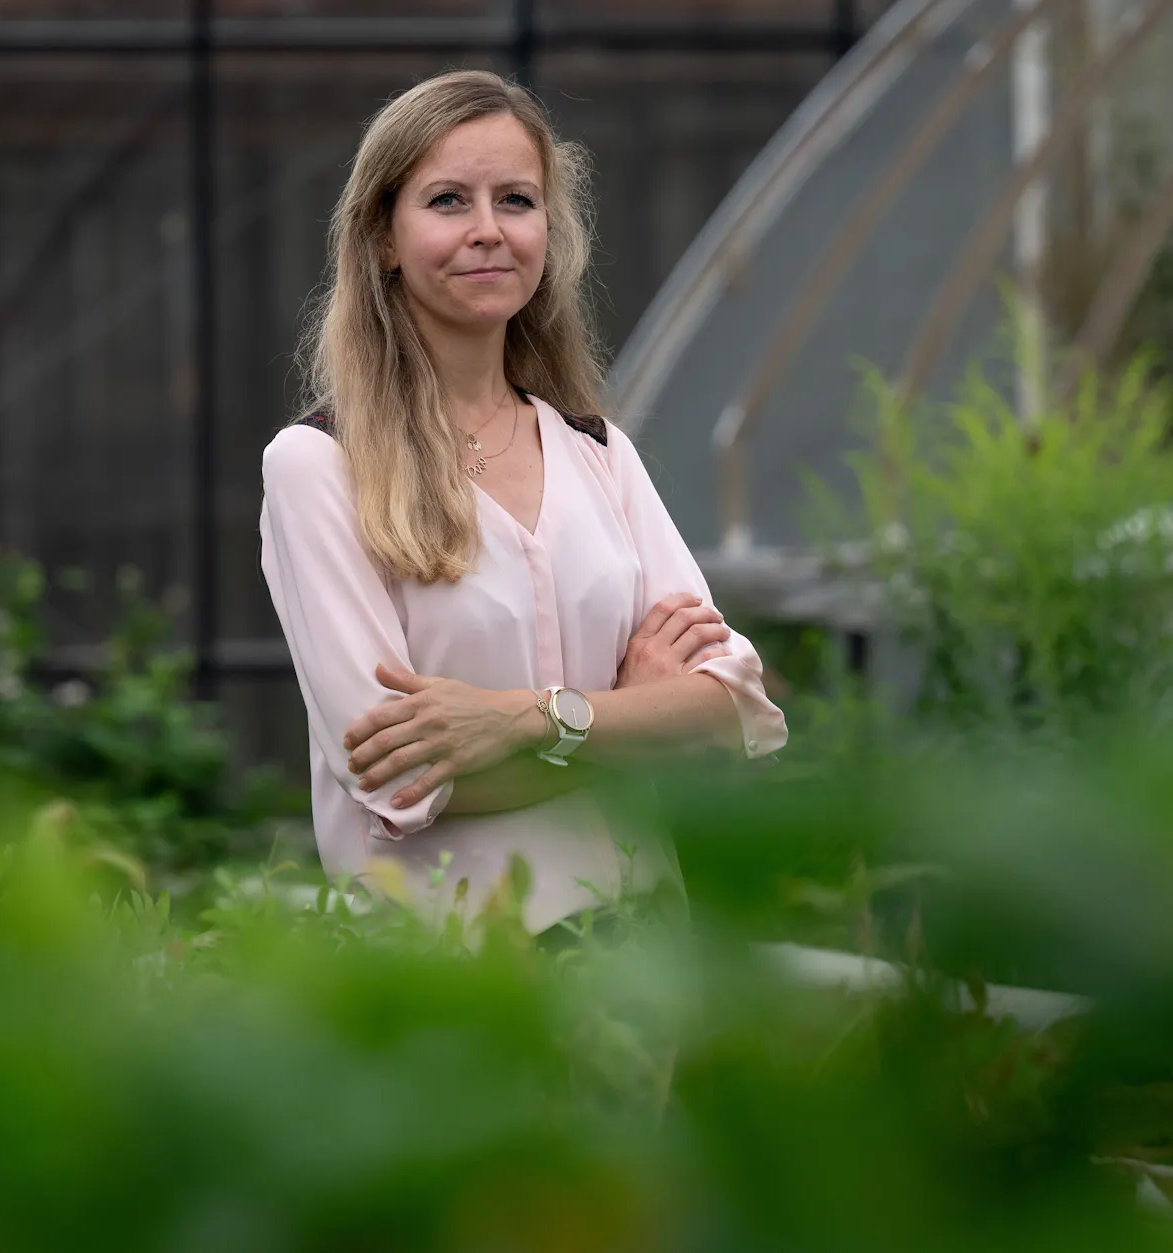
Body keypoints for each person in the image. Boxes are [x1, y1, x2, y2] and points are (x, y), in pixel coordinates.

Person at [259, 69, 787, 936]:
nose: (488, 230)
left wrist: (525, 719)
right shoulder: (319, 466)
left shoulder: (598, 453)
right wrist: (631, 716)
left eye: (515, 199)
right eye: (447, 201)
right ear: (383, 237)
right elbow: (400, 778)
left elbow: (733, 704)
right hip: (458, 972)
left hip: (643, 949)